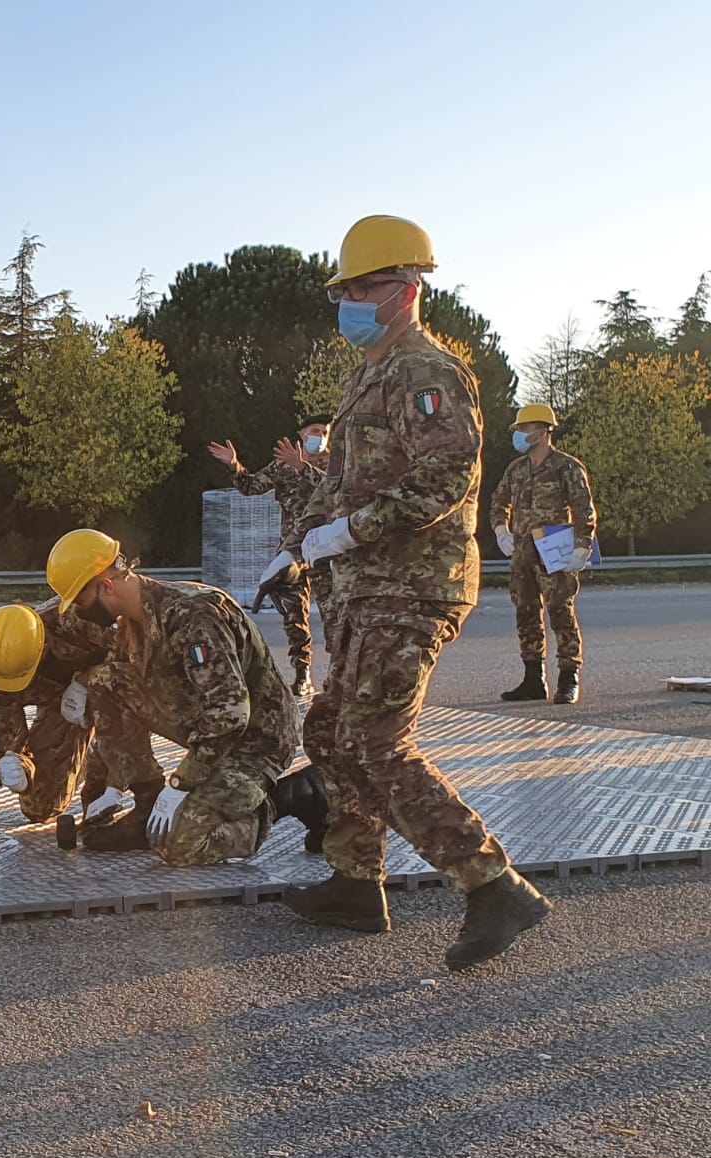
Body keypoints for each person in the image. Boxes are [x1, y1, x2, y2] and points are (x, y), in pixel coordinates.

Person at [286, 214, 552, 971]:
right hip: (364, 591)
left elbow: (446, 478)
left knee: (374, 741)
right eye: (345, 289)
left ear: (406, 289)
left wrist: (349, 534)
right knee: (331, 733)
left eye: (363, 286)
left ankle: (492, 884)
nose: (350, 300)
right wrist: (293, 550)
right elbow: (336, 485)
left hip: (413, 588)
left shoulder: (426, 370)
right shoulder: (368, 374)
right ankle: (355, 882)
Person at [42, 529, 327, 863]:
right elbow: (116, 712)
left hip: (255, 740)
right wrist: (108, 788)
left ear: (106, 585)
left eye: (81, 600)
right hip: (209, 732)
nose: (79, 611)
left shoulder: (192, 617)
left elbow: (231, 715)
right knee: (104, 680)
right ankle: (148, 802)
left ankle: (295, 796)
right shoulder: (134, 625)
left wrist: (179, 785)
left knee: (180, 844)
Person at [0, 599, 147, 827]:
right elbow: (10, 736)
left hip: (112, 695)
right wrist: (18, 769)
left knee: (115, 703)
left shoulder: (78, 618)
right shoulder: (0, 666)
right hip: (63, 711)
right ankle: (85, 758)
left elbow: (136, 652)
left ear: (43, 648)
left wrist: (84, 682)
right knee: (39, 805)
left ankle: (145, 791)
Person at [209, 417, 336, 696]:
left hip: (326, 549)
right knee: (293, 616)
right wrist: (234, 465)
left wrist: (302, 467)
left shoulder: (335, 462)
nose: (321, 436)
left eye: (325, 432)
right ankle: (303, 674)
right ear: (302, 434)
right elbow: (250, 486)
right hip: (292, 551)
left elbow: (335, 491)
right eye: (315, 431)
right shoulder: (282, 464)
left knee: (334, 614)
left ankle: (338, 676)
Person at [490, 403, 597, 705]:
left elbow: (583, 509)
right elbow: (498, 503)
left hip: (555, 549)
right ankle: (533, 679)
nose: (521, 434)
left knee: (560, 612)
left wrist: (583, 545)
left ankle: (568, 678)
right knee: (525, 613)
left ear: (542, 431)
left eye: (525, 429)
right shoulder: (516, 469)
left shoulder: (567, 467)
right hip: (522, 552)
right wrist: (501, 530)